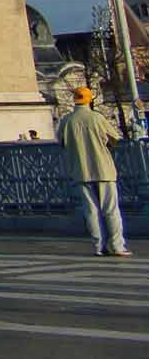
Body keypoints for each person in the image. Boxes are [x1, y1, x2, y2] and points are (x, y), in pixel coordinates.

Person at [58, 84, 130, 257]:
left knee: (91, 210)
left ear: (75, 100)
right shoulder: (97, 118)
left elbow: (61, 142)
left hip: (80, 171)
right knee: (110, 209)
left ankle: (99, 246)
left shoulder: (67, 121)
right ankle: (116, 246)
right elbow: (114, 138)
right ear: (89, 99)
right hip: (103, 169)